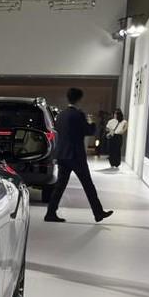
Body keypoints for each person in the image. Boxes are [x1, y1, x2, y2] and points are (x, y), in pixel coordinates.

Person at [45, 87, 114, 224]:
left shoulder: (61, 115)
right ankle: (98, 213)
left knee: (60, 186)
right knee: (88, 185)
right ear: (79, 99)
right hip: (76, 156)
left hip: (63, 155)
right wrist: (92, 124)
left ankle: (50, 213)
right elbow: (88, 131)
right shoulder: (78, 115)